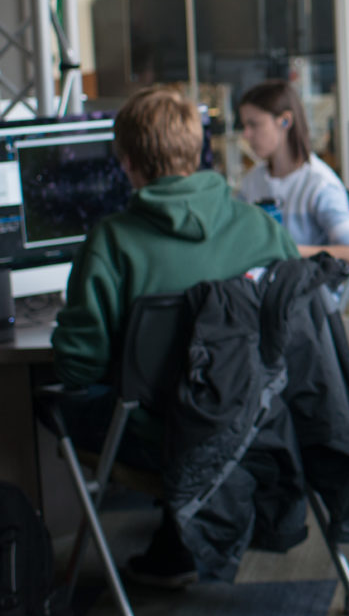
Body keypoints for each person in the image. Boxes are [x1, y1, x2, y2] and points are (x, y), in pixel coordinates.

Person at [53, 85, 298, 585]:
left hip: (156, 437)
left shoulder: (111, 241)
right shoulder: (260, 226)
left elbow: (80, 364)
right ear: (196, 149)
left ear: (126, 162)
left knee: (56, 404)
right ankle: (179, 534)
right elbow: (292, 331)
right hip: (256, 423)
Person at [237, 80, 349, 272]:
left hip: (301, 295)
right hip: (259, 290)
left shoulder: (319, 183)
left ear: (285, 121)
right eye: (244, 125)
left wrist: (288, 251)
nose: (246, 135)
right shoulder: (251, 181)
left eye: (254, 124)